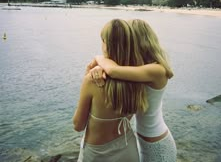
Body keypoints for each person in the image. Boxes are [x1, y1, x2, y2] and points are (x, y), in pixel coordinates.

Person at [90, 19, 177, 162]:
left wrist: (98, 58)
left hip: (157, 144)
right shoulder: (139, 68)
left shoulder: (157, 70)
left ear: (138, 40)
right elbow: (115, 71)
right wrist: (99, 68)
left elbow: (113, 70)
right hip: (142, 140)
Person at [73, 19, 148, 162]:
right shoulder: (140, 76)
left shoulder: (93, 80)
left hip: (97, 153)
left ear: (106, 44)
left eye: (103, 40)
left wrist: (89, 70)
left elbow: (78, 125)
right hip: (128, 148)